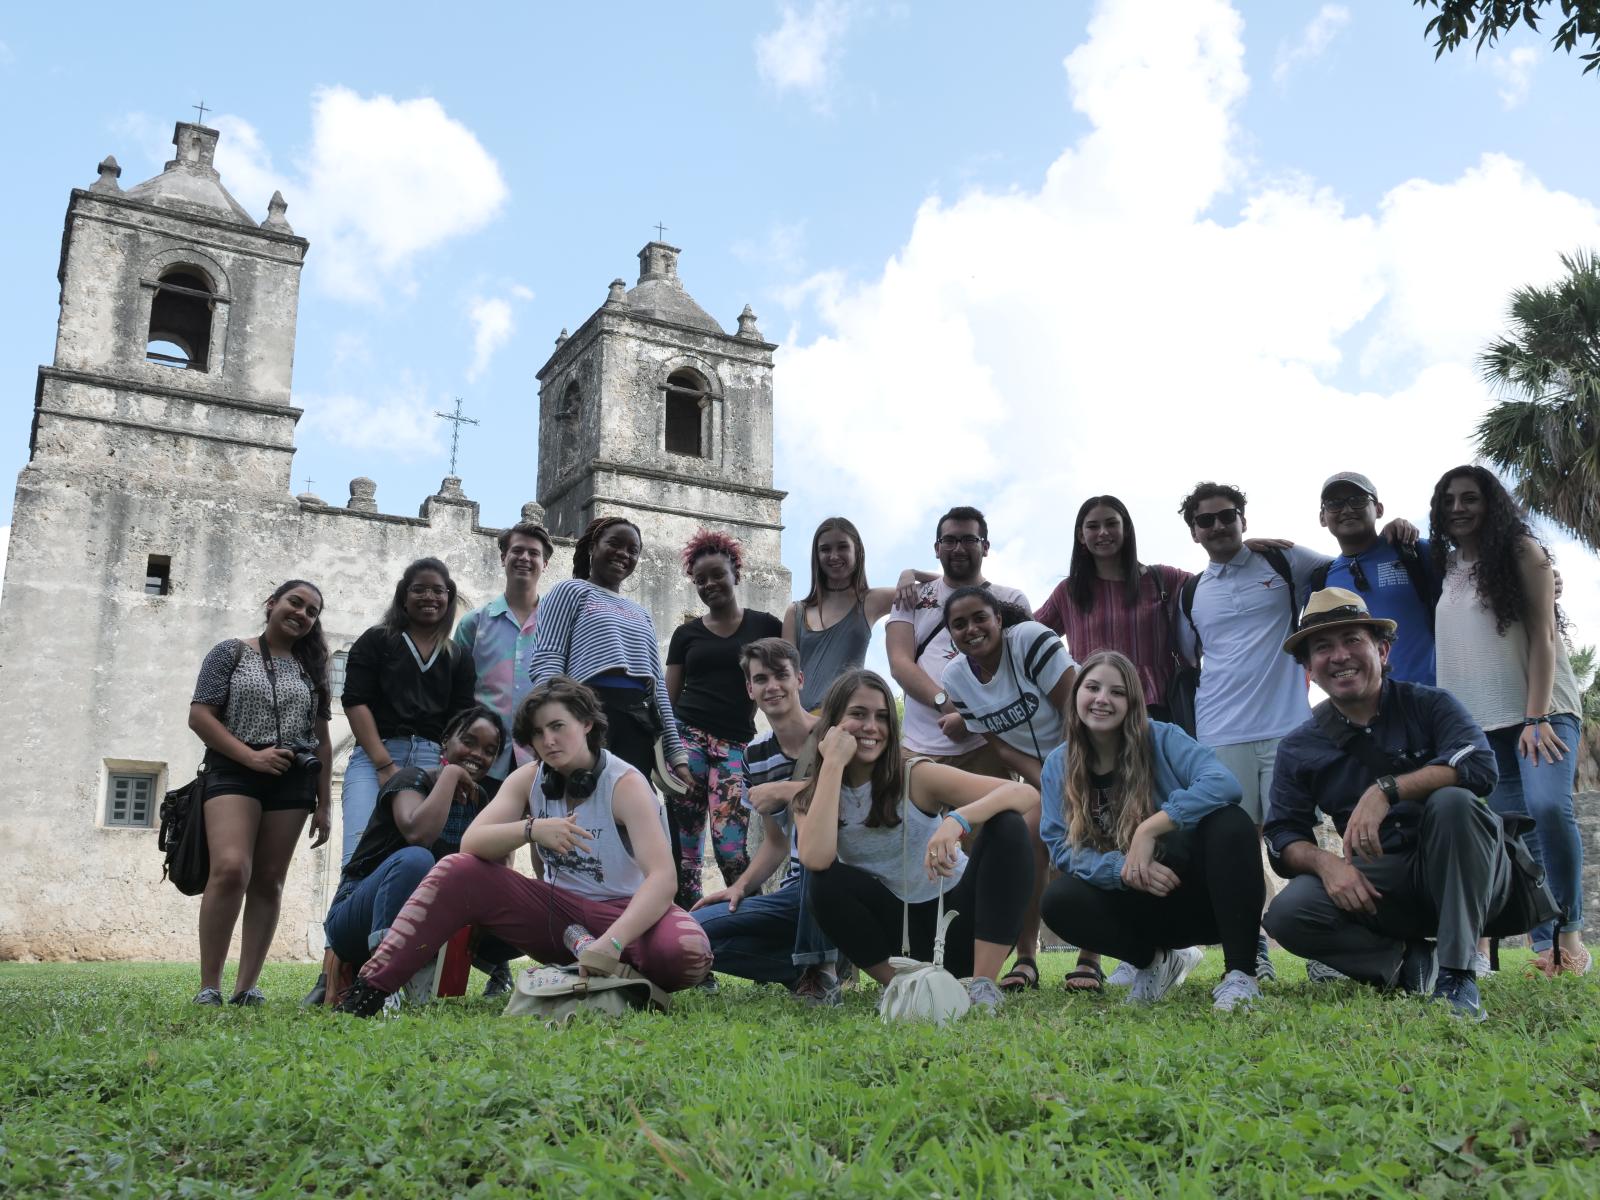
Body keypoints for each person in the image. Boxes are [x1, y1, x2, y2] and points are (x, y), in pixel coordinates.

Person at [334, 678, 713, 1016]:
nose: (548, 740)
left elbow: (663, 879)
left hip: (622, 915)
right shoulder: (529, 779)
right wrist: (532, 829)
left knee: (687, 951)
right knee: (458, 870)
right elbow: (472, 843)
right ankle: (370, 991)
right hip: (558, 918)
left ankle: (610, 964)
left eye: (558, 726)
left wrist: (613, 941)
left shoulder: (625, 784)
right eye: (537, 732)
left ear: (587, 724)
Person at [1263, 588, 1510, 1019]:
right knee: (1288, 913)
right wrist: (1329, 864)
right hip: (1383, 880)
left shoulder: (1430, 704)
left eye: (1352, 640)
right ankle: (1408, 964)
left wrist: (1387, 789)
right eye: (1322, 647)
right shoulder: (1299, 747)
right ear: (1309, 669)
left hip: (1468, 872)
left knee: (1454, 802)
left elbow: (1481, 766)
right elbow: (1282, 834)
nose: (1339, 656)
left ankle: (1458, 976)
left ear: (1381, 648)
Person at [795, 670, 1039, 1014]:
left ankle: (982, 985)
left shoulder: (915, 775)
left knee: (1008, 824)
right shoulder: (812, 799)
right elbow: (816, 859)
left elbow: (1024, 793)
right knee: (823, 882)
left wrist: (957, 820)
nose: (871, 727)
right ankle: (901, 985)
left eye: (882, 717)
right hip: (900, 944)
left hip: (960, 923)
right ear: (832, 724)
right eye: (858, 714)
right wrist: (833, 764)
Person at [1039, 651, 1264, 1011]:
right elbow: (1062, 847)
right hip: (1135, 902)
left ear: (1132, 703)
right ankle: (1156, 962)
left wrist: (1149, 829)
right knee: (1058, 900)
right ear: (1076, 695)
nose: (1101, 699)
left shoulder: (1163, 738)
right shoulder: (1057, 765)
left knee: (1230, 822)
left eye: (1116, 692)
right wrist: (1123, 871)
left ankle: (1241, 975)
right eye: (1092, 687)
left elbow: (1224, 783)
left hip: (1197, 899)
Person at [1430, 465, 1587, 977]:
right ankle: (1543, 946)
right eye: (1449, 499)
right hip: (1480, 723)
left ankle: (1570, 936)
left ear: (1490, 503)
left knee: (1549, 808)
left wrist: (1536, 716)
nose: (1458, 508)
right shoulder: (1447, 565)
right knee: (1513, 832)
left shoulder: (1521, 550)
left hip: (1541, 712)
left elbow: (1543, 637)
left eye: (1470, 498)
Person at [1172, 481, 1331, 980]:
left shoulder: (1286, 564)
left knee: (1300, 839)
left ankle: (1322, 949)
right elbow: (1189, 655)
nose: (1218, 526)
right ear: (1193, 532)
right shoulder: (1192, 592)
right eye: (1206, 520)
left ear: (1244, 518)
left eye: (1227, 516)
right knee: (1235, 846)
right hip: (1219, 731)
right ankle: (1250, 948)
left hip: (1289, 727)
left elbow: (1344, 565)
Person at [302, 556, 476, 1007]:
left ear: (450, 596)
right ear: (404, 593)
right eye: (420, 588)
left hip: (433, 761)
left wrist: (443, 769)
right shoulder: (377, 642)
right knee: (359, 853)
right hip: (378, 755)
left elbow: (460, 718)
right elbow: (356, 701)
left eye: (439, 590)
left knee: (423, 859)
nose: (430, 597)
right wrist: (383, 765)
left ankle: (400, 970)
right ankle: (331, 973)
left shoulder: (457, 655)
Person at [187, 579, 333, 1006]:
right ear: (271, 604)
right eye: (295, 602)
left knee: (269, 880)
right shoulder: (229, 652)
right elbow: (200, 716)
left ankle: (246, 987)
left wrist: (325, 804)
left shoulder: (312, 668)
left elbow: (322, 739)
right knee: (231, 868)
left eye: (312, 611)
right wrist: (251, 759)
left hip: (292, 774)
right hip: (235, 767)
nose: (302, 614)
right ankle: (208, 986)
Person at [322, 706, 517, 997]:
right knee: (417, 860)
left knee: (518, 901)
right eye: (469, 741)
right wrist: (450, 775)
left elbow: (491, 868)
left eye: (489, 750)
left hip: (427, 918)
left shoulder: (479, 800)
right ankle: (380, 981)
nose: (478, 754)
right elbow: (418, 835)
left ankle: (498, 973)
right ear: (446, 740)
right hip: (355, 917)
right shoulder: (411, 779)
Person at [939, 586, 1079, 991]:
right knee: (1028, 841)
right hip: (1039, 770)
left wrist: (1076, 783)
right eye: (959, 624)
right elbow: (999, 744)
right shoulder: (955, 678)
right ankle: (1027, 958)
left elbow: (1075, 714)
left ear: (999, 618)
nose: (972, 629)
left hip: (1088, 755)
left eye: (980, 617)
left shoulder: (1032, 641)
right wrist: (1047, 783)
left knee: (1087, 842)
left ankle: (1089, 958)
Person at [692, 638, 843, 1003]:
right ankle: (800, 967)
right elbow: (775, 843)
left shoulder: (835, 736)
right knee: (688, 930)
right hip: (794, 893)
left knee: (813, 854)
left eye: (781, 675)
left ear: (800, 680)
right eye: (761, 679)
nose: (772, 686)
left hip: (842, 882)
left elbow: (856, 803)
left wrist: (788, 790)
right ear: (750, 689)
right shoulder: (755, 756)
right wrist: (740, 887)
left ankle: (822, 970)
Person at [528, 516, 692, 790]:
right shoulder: (570, 591)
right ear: (593, 547)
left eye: (632, 550)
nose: (623, 554)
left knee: (628, 805)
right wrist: (553, 722)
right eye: (614, 544)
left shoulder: (642, 614)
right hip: (585, 713)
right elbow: (548, 659)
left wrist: (676, 754)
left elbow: (658, 688)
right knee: (583, 802)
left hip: (638, 722)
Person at [664, 530, 783, 908]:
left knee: (731, 848)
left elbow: (784, 677)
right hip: (687, 741)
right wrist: (667, 754)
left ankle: (751, 929)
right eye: (700, 580)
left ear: (736, 573)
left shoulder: (766, 625)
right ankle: (689, 946)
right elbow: (669, 698)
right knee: (685, 854)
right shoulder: (687, 634)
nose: (709, 584)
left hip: (735, 745)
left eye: (717, 575)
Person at [887, 506, 1030, 776]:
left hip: (990, 746)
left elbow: (1022, 673)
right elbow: (899, 662)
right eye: (949, 540)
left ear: (985, 547)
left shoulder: (1011, 600)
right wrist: (948, 704)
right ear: (936, 548)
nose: (958, 548)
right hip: (919, 748)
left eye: (969, 540)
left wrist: (972, 720)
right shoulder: (912, 597)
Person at [1033, 496, 1191, 721]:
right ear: (1081, 536)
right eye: (1093, 526)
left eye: (1111, 523)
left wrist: (1240, 552)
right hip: (1093, 709)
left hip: (1157, 708)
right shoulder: (1068, 591)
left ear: (1126, 529)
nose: (1103, 532)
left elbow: (1212, 586)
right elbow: (1030, 636)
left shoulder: (1163, 579)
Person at [453, 520, 555, 799]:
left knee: (547, 836)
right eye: (517, 551)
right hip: (483, 754)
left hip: (543, 753)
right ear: (503, 557)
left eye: (533, 553)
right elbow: (457, 691)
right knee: (478, 838)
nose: (525, 558)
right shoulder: (473, 624)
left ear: (544, 563)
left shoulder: (557, 626)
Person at [782, 517, 926, 710]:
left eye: (842, 547)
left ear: (857, 551)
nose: (833, 556)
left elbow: (943, 589)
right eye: (825, 549)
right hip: (803, 724)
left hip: (847, 717)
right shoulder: (796, 612)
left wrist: (912, 573)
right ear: (816, 556)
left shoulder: (870, 601)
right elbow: (784, 674)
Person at [1310, 473, 1440, 685]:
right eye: (1334, 503)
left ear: (1379, 509)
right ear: (1322, 517)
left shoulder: (1415, 552)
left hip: (1431, 700)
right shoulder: (1321, 580)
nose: (1347, 509)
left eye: (1358, 500)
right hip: (1363, 709)